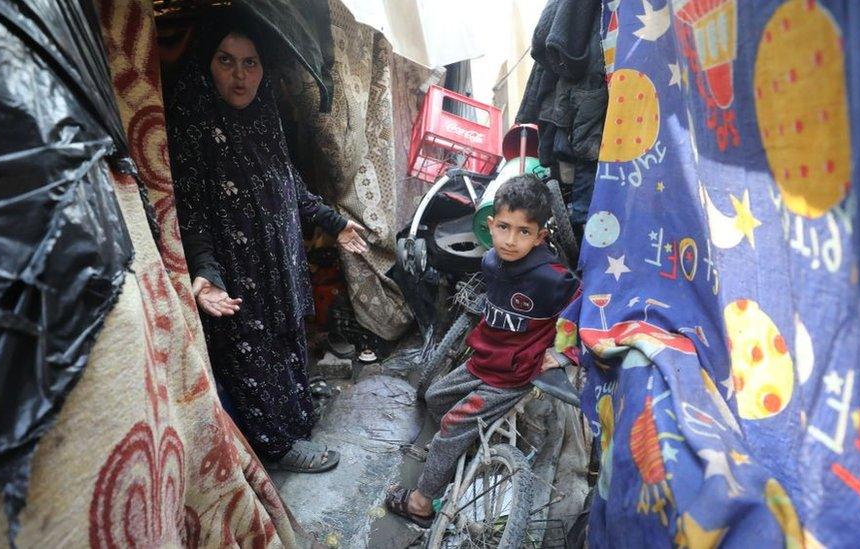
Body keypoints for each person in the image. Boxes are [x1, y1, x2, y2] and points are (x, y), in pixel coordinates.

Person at [166, 14, 367, 473]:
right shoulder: (193, 121)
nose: (240, 76)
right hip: (238, 271)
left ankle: (296, 420)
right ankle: (277, 447)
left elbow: (288, 183)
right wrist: (206, 273)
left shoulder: (263, 112)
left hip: (280, 261)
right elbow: (189, 209)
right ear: (207, 63)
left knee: (289, 342)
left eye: (250, 63)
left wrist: (333, 222)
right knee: (252, 358)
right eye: (226, 61)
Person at [384, 174, 581, 525]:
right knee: (435, 397)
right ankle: (458, 447)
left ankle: (420, 503)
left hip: (512, 375)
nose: (510, 240)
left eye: (524, 232)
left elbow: (580, 307)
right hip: (483, 359)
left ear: (540, 236)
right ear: (489, 225)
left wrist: (564, 353)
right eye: (503, 227)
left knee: (450, 430)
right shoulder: (491, 261)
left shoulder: (552, 278)